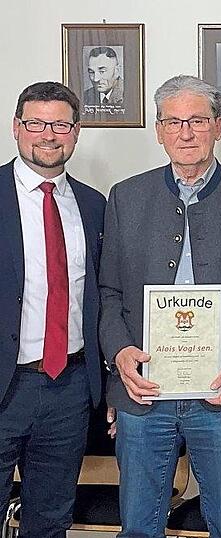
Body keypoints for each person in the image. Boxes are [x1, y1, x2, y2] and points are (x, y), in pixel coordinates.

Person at [98, 75, 221, 538]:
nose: (186, 132)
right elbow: (108, 292)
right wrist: (119, 355)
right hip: (144, 391)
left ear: (218, 126)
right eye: (173, 122)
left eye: (197, 120)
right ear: (159, 131)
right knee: (138, 527)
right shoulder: (125, 197)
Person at [0, 81, 104, 538]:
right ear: (16, 128)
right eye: (36, 123)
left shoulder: (93, 205)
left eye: (60, 125)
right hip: (6, 386)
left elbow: (102, 297)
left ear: (76, 132)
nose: (48, 134)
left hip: (69, 389)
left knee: (50, 520)